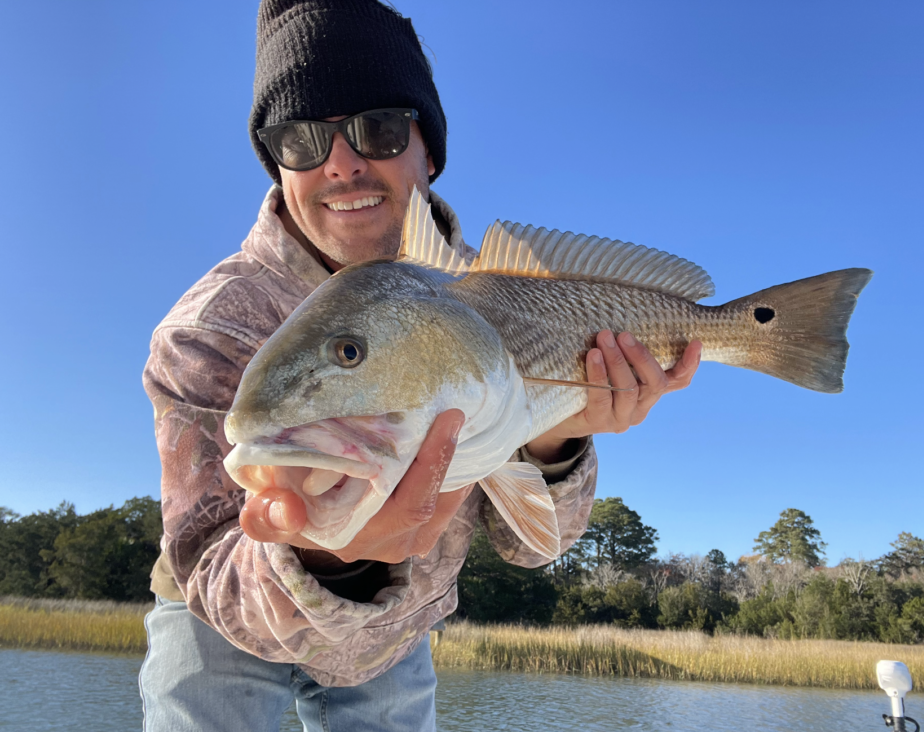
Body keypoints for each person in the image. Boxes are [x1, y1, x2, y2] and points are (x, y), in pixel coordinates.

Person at [138, 1, 702, 730]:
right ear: (277, 162)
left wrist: (558, 440)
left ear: (427, 149)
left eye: (377, 128)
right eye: (300, 138)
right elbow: (210, 563)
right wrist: (326, 557)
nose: (341, 162)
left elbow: (537, 545)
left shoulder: (505, 295)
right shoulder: (204, 327)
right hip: (222, 625)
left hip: (398, 629)